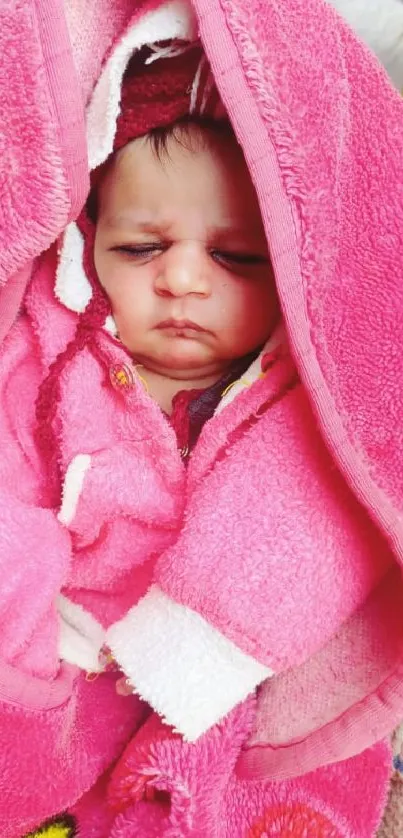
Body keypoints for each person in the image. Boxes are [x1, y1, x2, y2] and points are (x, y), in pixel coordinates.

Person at [1, 5, 403, 837]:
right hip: (67, 641)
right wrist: (37, 649)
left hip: (228, 662)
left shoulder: (297, 394)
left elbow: (326, 519)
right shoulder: (48, 352)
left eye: (236, 257)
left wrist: (199, 648)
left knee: (268, 783)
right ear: (85, 245)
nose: (182, 280)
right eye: (142, 249)